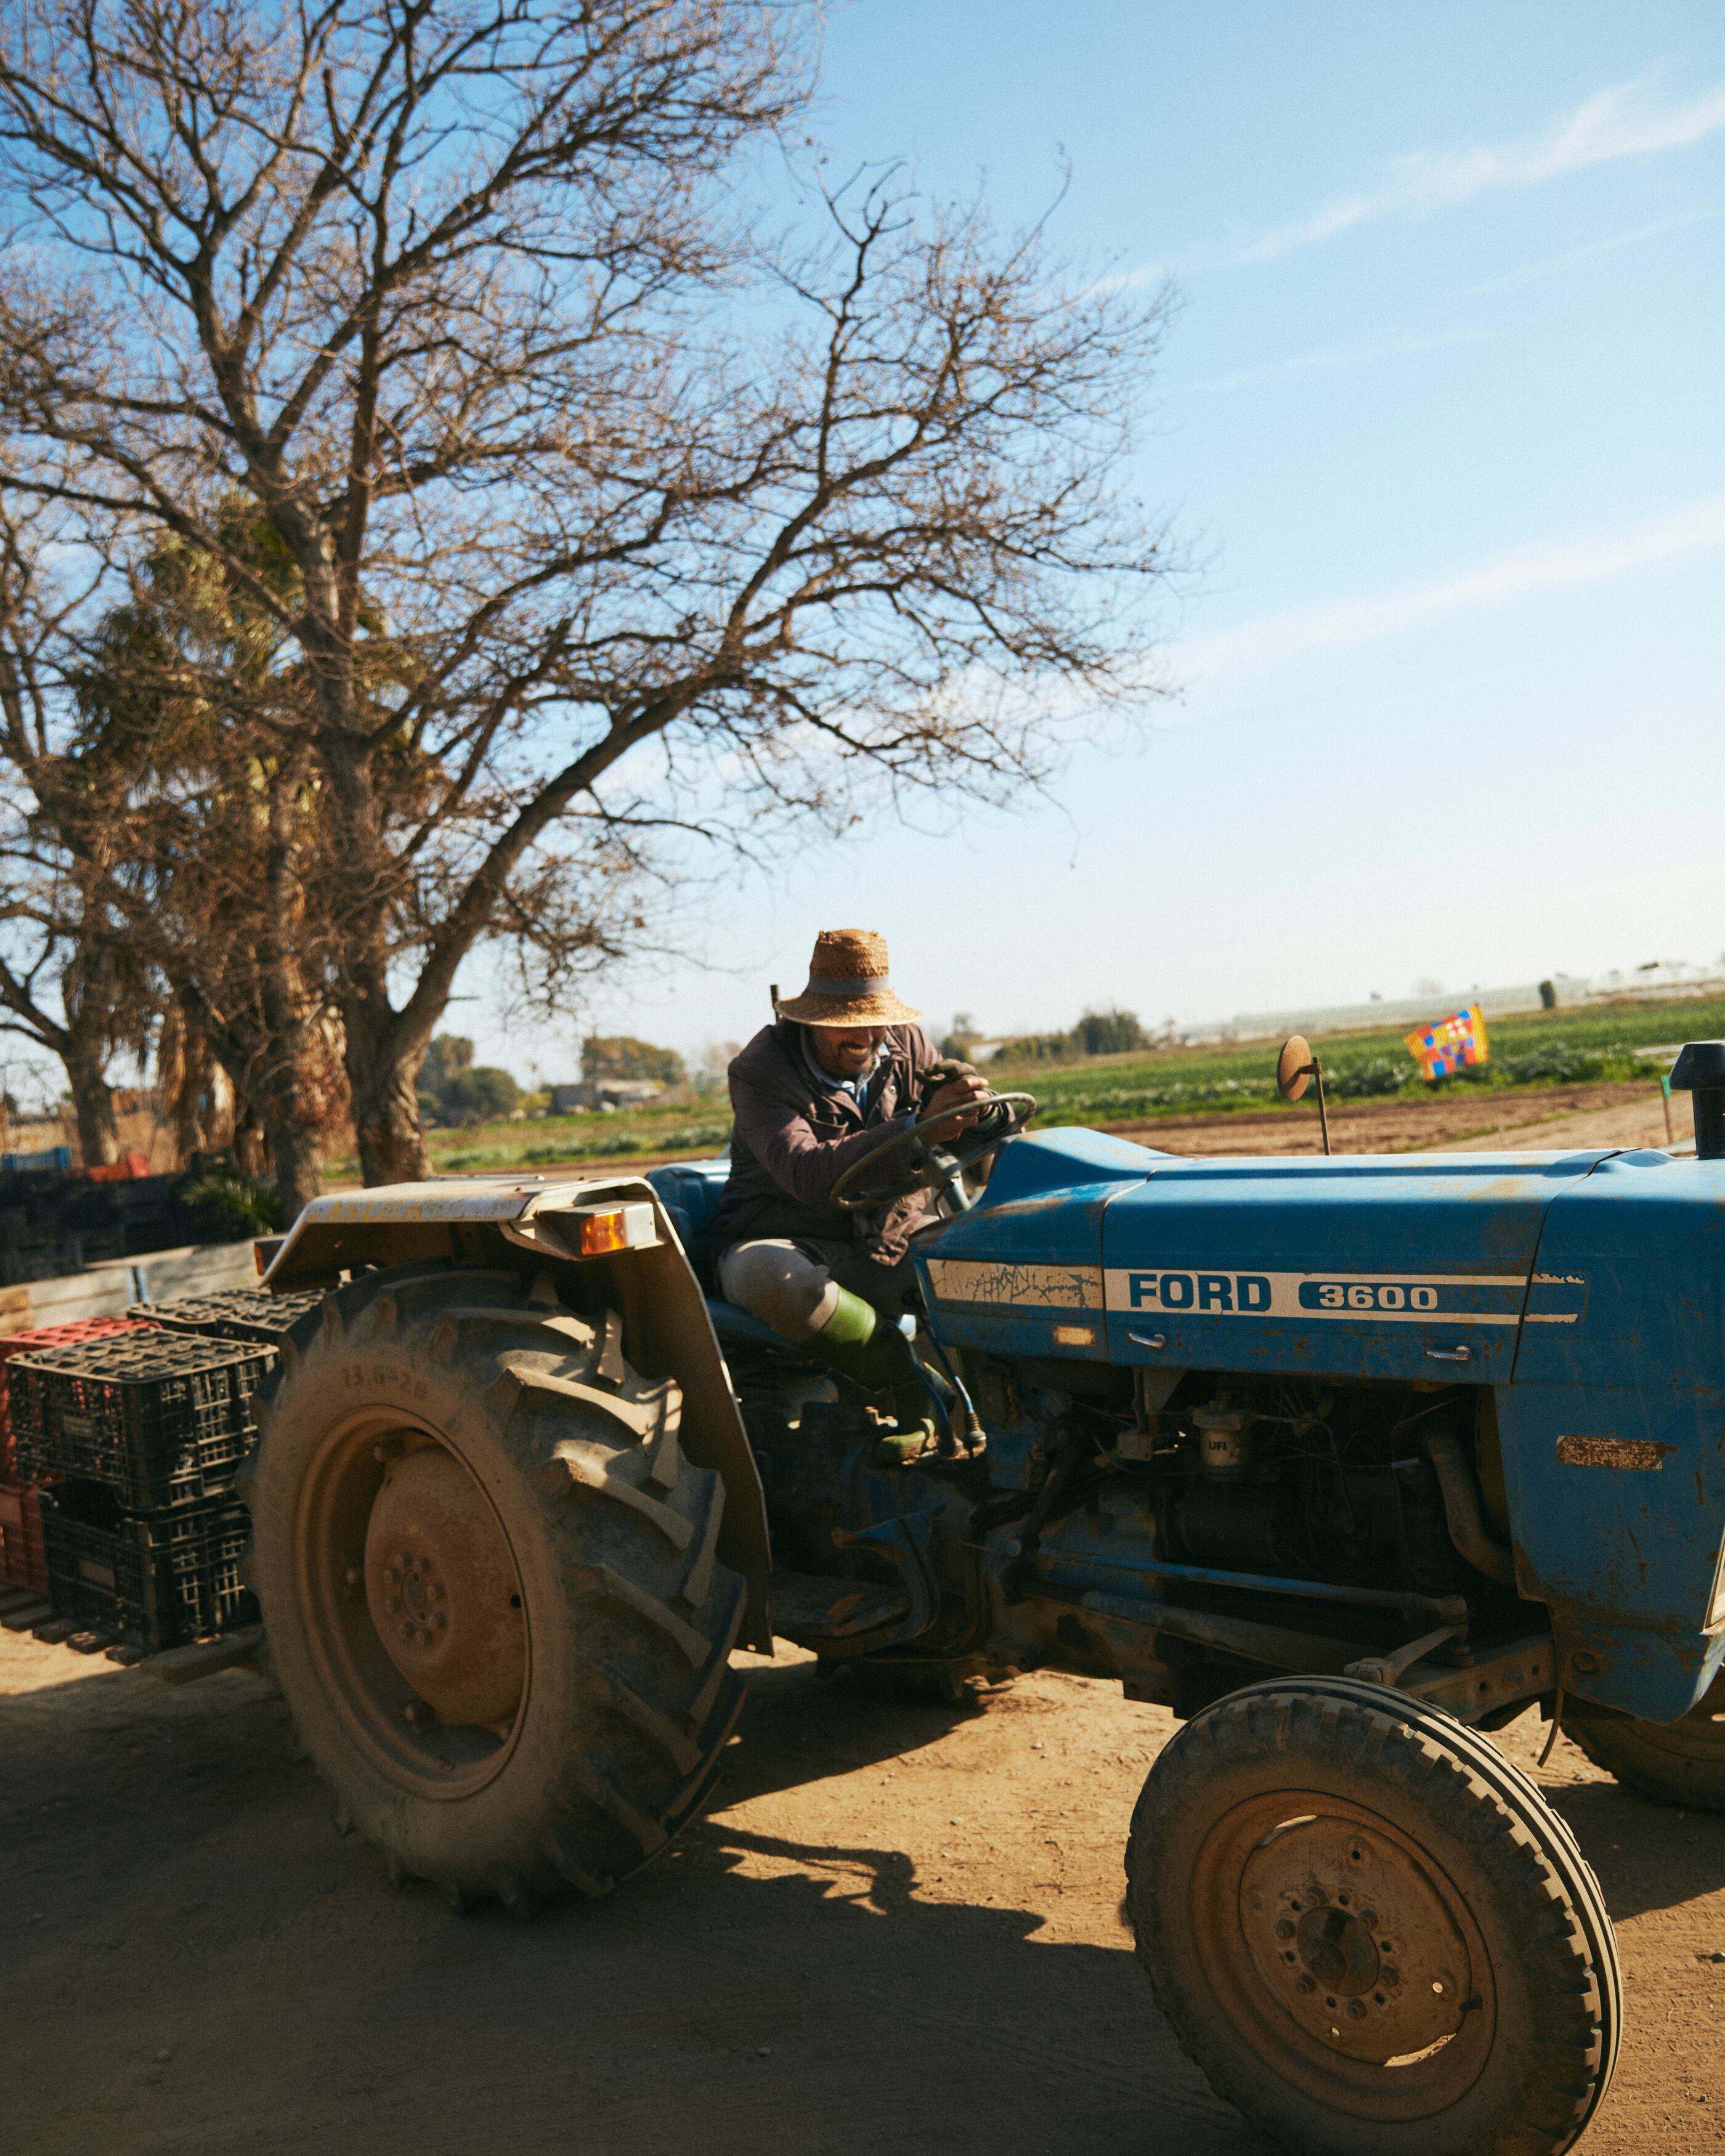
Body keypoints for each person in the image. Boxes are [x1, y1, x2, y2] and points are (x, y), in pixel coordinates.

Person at [710, 928, 993, 1429]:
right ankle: (912, 1388)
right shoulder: (762, 1072)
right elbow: (805, 1172)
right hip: (789, 1239)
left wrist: (976, 1116)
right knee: (776, 1277)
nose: (866, 1036)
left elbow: (958, 1143)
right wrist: (913, 1129)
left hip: (888, 1240)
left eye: (876, 1021)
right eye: (847, 1024)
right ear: (813, 1018)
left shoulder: (906, 1045)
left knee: (993, 1262)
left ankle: (999, 1416)